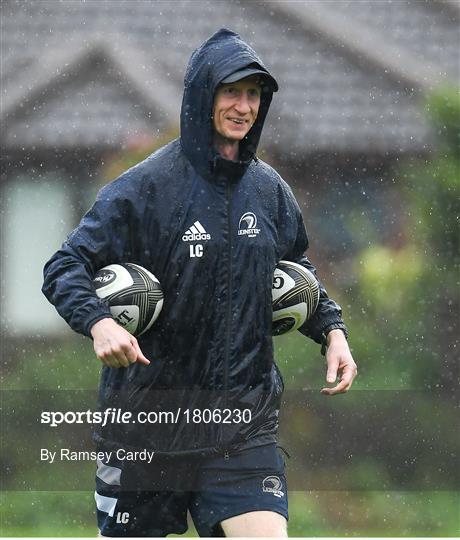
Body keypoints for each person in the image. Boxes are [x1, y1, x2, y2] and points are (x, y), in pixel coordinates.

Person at [42, 28, 357, 538]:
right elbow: (64, 266)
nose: (244, 106)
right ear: (202, 97)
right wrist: (100, 323)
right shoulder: (145, 188)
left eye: (254, 94)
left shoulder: (270, 190)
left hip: (241, 428)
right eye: (231, 91)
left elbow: (296, 271)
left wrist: (332, 331)